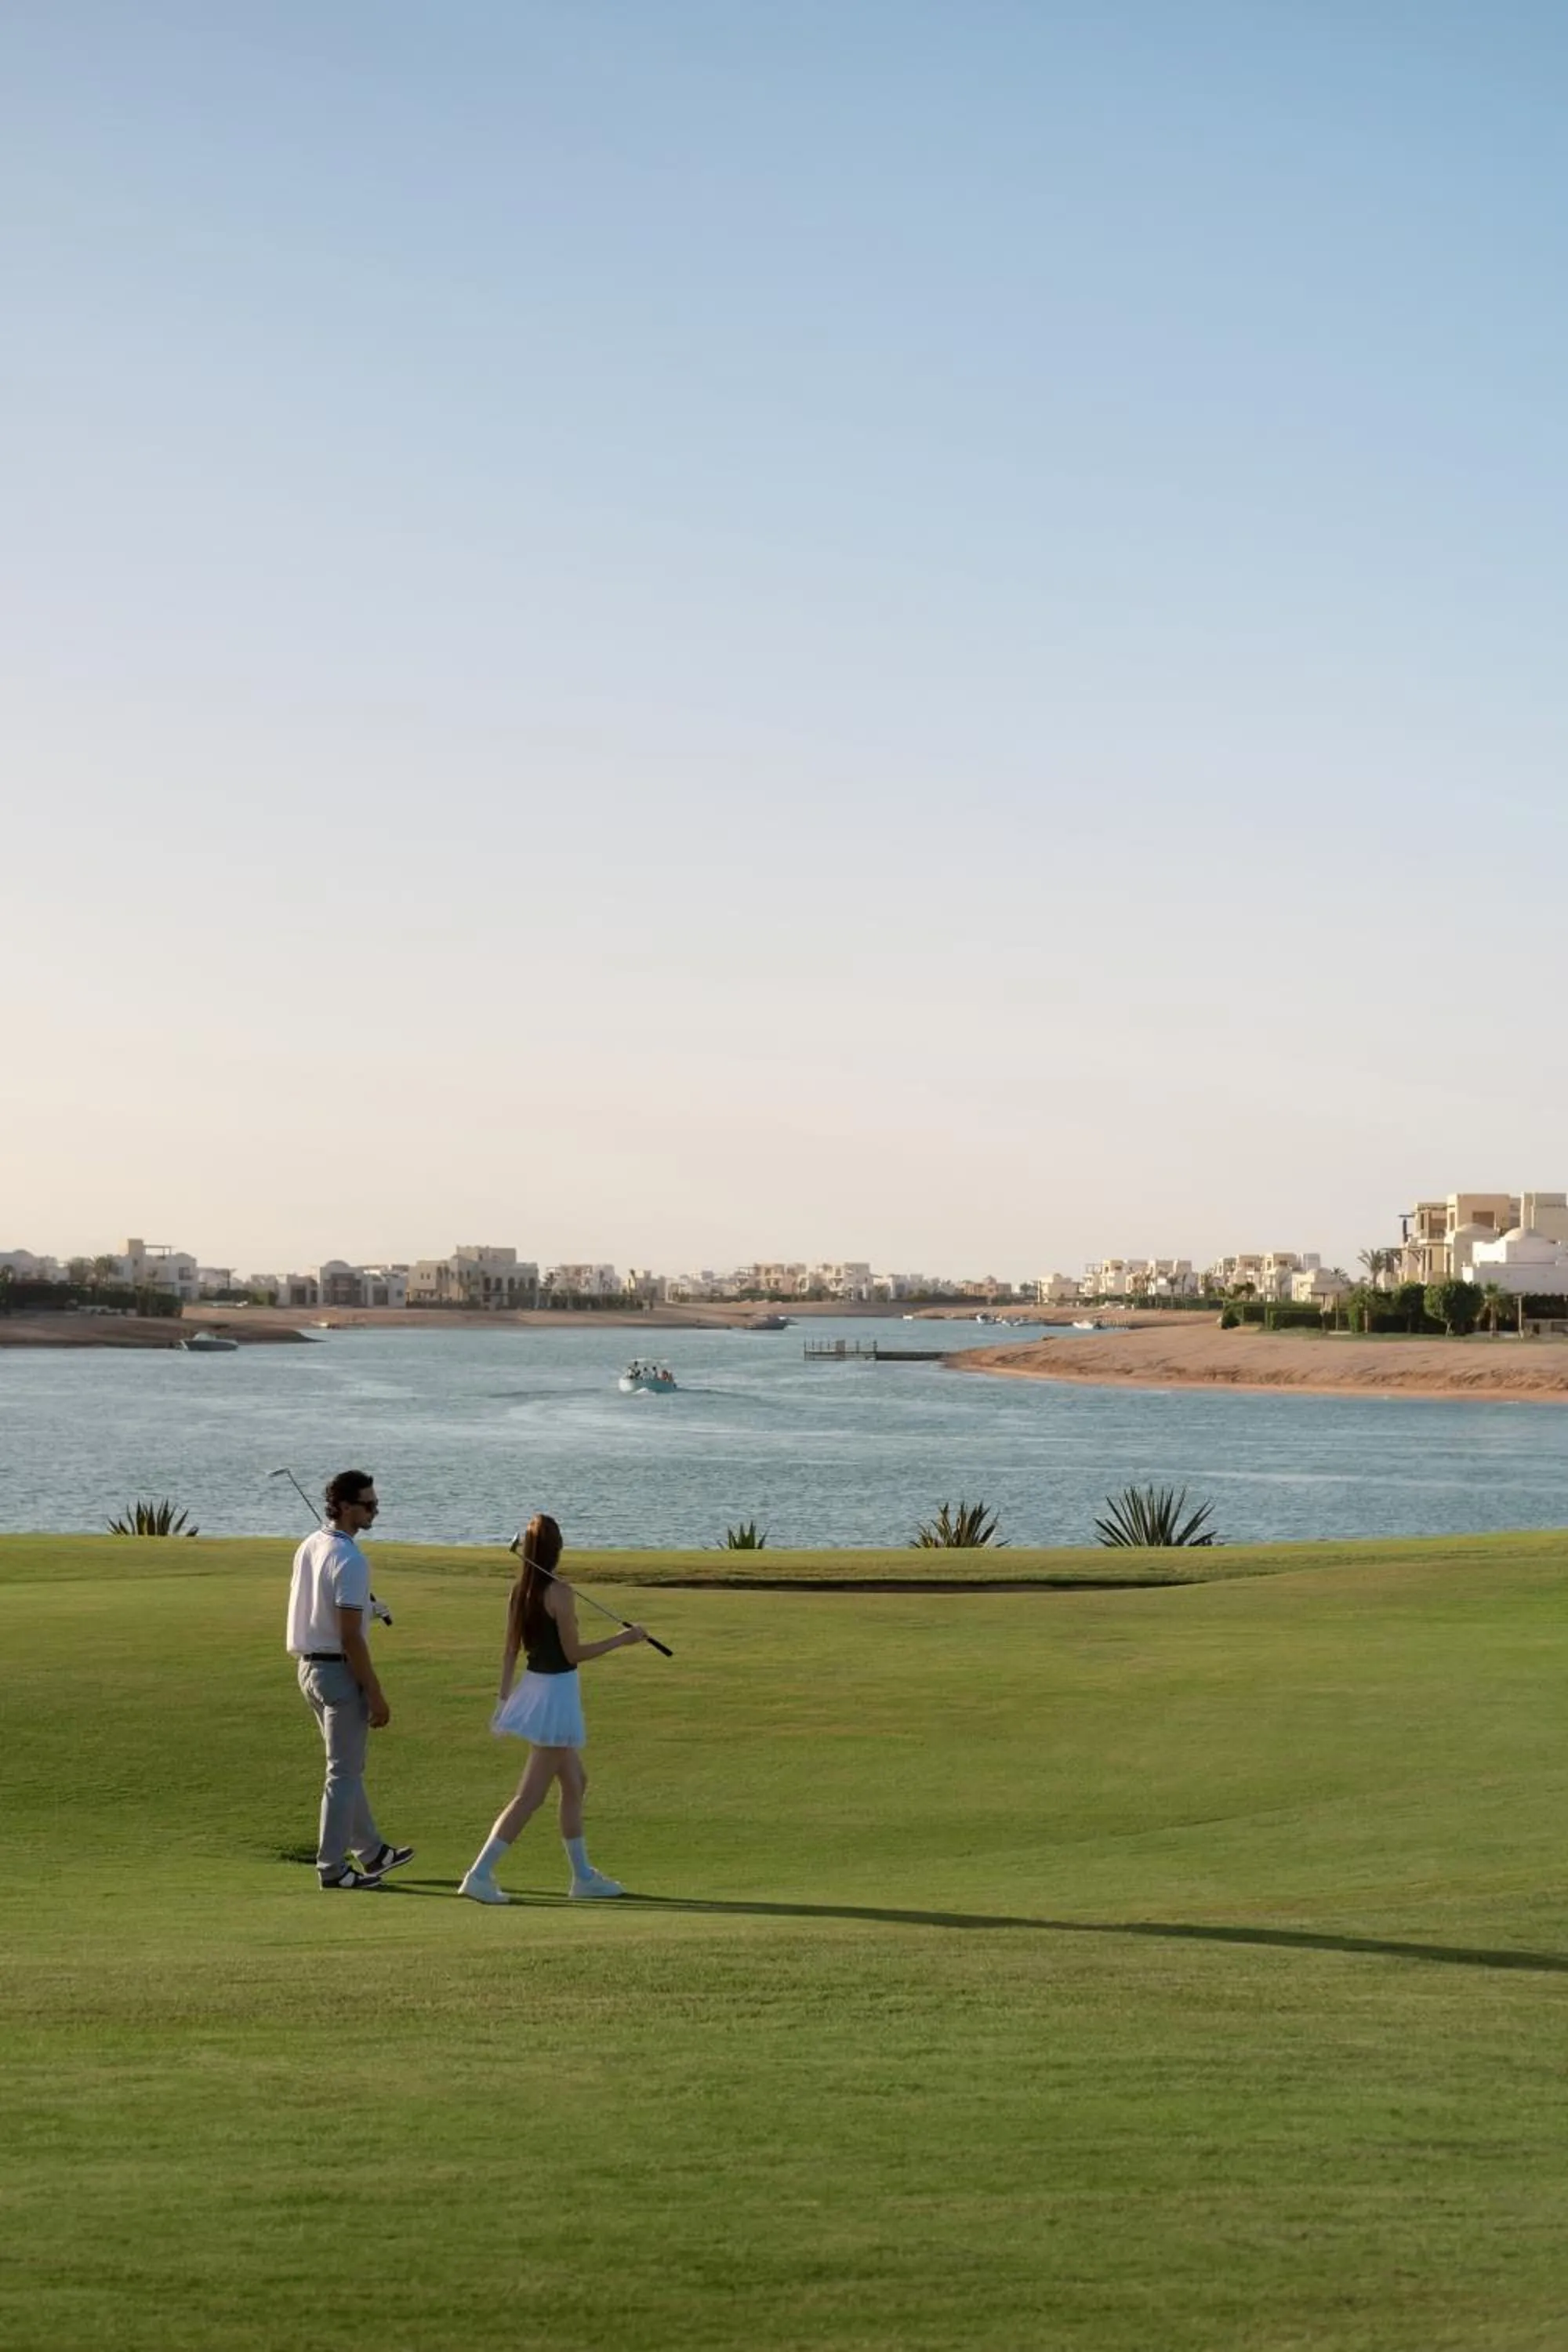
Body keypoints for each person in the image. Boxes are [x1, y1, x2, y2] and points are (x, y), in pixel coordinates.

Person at [459, 1512, 648, 1905]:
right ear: (556, 1550)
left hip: (538, 1689)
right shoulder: (560, 1592)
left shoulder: (521, 1590)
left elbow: (511, 1651)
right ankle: (479, 1874)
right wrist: (622, 1640)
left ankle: (582, 1877)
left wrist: (503, 1699)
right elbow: (573, 1653)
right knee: (529, 1796)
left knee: (576, 1782)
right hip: (556, 1695)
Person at [285, 1468, 413, 1891]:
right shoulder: (351, 1559)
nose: (375, 1511)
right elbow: (348, 1637)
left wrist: (370, 1609)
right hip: (338, 1673)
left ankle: (372, 1851)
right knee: (342, 1775)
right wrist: (375, 1693)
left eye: (376, 1504)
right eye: (368, 1505)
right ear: (343, 1507)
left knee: (347, 1769)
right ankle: (332, 1869)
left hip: (309, 1670)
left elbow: (327, 1608)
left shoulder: (311, 1544)